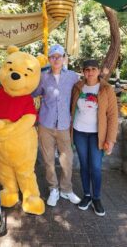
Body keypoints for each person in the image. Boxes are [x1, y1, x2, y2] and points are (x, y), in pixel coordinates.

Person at [32, 44, 80, 207]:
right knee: (48, 159)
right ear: (49, 59)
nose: (56, 59)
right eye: (53, 56)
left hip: (64, 125)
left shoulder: (73, 76)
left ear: (64, 58)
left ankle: (66, 190)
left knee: (67, 159)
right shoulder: (43, 76)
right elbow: (33, 92)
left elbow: (83, 88)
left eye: (59, 56)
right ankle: (54, 189)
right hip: (46, 123)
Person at [71, 59, 118, 216]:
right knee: (84, 165)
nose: (90, 72)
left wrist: (110, 140)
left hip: (97, 135)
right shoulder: (78, 87)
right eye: (87, 69)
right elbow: (71, 107)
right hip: (79, 132)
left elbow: (112, 115)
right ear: (83, 72)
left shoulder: (106, 89)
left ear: (98, 71)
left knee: (96, 167)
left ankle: (97, 198)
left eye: (93, 69)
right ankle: (87, 195)